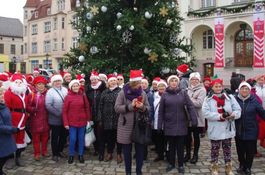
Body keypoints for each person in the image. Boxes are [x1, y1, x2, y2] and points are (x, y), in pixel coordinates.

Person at [158, 75, 198, 173]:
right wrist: (159, 125)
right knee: (171, 146)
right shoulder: (165, 94)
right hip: (169, 124)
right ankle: (171, 163)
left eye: (176, 81)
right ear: (169, 83)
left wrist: (194, 120)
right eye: (172, 81)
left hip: (181, 123)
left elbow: (190, 107)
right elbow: (161, 111)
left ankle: (180, 165)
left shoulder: (183, 93)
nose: (174, 82)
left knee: (180, 146)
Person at [202, 78, 241, 175]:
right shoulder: (208, 99)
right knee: (215, 149)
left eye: (220, 86)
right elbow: (206, 113)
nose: (218, 88)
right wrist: (219, 116)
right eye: (216, 86)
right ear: (212, 87)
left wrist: (233, 115)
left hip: (227, 127)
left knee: (227, 148)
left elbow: (238, 110)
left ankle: (228, 167)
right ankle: (214, 166)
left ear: (222, 87)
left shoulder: (229, 97)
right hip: (215, 127)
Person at [115, 70, 150, 175]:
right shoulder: (122, 93)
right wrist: (131, 106)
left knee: (140, 151)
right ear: (131, 83)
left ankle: (139, 171)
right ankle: (128, 172)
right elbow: (117, 108)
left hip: (139, 126)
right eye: (137, 84)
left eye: (140, 83)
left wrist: (142, 107)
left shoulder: (143, 93)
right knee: (127, 152)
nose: (139, 86)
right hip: (126, 126)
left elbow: (148, 108)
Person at [234, 81, 265, 175]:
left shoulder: (254, 100)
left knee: (250, 151)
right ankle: (241, 165)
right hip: (238, 129)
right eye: (242, 88)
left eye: (246, 89)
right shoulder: (235, 100)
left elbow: (262, 113)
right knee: (240, 150)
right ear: (239, 90)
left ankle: (248, 167)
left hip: (252, 128)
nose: (244, 90)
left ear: (249, 90)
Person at [62, 80, 90, 164]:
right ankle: (71, 155)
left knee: (81, 139)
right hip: (72, 122)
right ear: (71, 87)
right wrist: (66, 123)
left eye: (77, 86)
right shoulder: (68, 97)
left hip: (82, 121)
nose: (75, 87)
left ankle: (80, 155)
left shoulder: (83, 96)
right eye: (73, 86)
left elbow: (87, 108)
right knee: (73, 139)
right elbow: (64, 111)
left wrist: (88, 119)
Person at [4, 73, 28, 168]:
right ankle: (8, 159)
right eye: (16, 82)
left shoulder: (23, 93)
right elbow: (7, 108)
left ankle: (18, 157)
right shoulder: (8, 93)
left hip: (22, 119)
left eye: (20, 82)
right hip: (12, 120)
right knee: (11, 139)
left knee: (20, 139)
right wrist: (8, 121)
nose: (18, 84)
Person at [98, 75, 122, 163]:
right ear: (108, 83)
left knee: (118, 137)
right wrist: (100, 119)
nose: (113, 82)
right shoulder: (104, 92)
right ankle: (109, 153)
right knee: (109, 138)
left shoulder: (121, 91)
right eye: (111, 81)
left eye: (115, 81)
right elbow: (100, 106)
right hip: (107, 118)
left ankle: (119, 154)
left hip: (118, 118)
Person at [45, 74, 68, 162]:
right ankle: (54, 153)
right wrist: (58, 113)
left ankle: (60, 150)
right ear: (53, 83)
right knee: (55, 137)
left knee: (63, 136)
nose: (58, 82)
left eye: (59, 81)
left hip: (65, 118)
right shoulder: (50, 92)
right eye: (56, 81)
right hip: (55, 118)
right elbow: (48, 105)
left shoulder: (65, 90)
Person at [26, 76, 50, 161]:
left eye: (42, 84)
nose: (41, 86)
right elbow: (27, 106)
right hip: (36, 119)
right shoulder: (31, 94)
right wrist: (32, 109)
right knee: (36, 138)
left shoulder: (48, 93)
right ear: (36, 85)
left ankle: (44, 150)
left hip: (46, 119)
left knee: (45, 136)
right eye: (39, 84)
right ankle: (36, 152)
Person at [185, 72, 206, 164]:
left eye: (196, 79)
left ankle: (195, 155)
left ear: (199, 80)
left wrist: (189, 101)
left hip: (197, 117)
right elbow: (184, 102)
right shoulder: (187, 89)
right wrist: (192, 100)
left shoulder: (202, 90)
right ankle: (188, 154)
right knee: (187, 137)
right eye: (192, 79)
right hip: (187, 117)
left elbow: (199, 103)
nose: (194, 81)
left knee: (196, 137)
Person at [85, 71, 106, 160]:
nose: (94, 81)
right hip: (92, 115)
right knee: (94, 134)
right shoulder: (88, 90)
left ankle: (101, 152)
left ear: (98, 80)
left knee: (101, 134)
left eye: (95, 79)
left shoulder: (103, 89)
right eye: (92, 80)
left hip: (101, 116)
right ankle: (96, 149)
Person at [0, 87, 18, 175]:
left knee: (6, 154)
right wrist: (12, 129)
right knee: (2, 155)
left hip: (6, 135)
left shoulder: (3, 104)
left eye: (2, 94)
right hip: (2, 136)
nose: (1, 96)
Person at [150, 79, 167, 162]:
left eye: (163, 86)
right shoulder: (155, 95)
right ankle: (160, 155)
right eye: (159, 86)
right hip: (157, 120)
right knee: (159, 139)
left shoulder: (168, 95)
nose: (161, 87)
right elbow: (152, 108)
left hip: (167, 121)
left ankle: (168, 154)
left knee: (166, 140)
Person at [141, 78, 154, 160]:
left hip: (145, 118)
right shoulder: (138, 93)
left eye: (145, 83)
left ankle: (144, 154)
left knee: (144, 137)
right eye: (142, 83)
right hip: (138, 118)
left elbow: (151, 108)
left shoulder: (149, 95)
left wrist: (149, 119)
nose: (144, 85)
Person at [255, 75, 265, 147]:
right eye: (259, 80)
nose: (260, 81)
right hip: (258, 109)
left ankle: (262, 140)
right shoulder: (255, 88)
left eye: (262, 80)